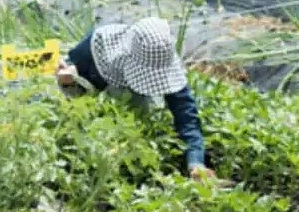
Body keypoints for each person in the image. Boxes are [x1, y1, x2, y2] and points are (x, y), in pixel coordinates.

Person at [56, 16, 216, 180]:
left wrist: (195, 162)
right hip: (97, 128)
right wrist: (68, 82)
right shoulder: (96, 48)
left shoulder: (162, 57)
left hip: (136, 130)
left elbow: (186, 115)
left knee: (146, 122)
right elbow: (70, 99)